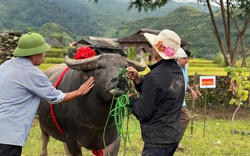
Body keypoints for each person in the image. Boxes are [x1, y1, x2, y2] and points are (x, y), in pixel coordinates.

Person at [0, 32, 94, 156]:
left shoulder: (6, 65)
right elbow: (56, 97)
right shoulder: (33, 73)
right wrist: (79, 92)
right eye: (42, 52)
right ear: (33, 55)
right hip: (9, 133)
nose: (44, 55)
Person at [126, 29, 187, 156]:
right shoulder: (176, 71)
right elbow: (158, 94)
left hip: (157, 141)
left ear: (156, 50)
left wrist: (128, 96)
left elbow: (142, 112)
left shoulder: (155, 77)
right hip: (172, 136)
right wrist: (139, 80)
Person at [177, 49, 197, 150]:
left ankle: (175, 141)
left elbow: (185, 82)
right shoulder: (174, 69)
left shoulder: (184, 68)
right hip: (175, 100)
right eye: (183, 58)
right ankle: (175, 141)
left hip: (181, 100)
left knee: (182, 119)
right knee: (185, 118)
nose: (186, 60)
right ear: (178, 58)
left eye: (187, 59)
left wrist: (191, 90)